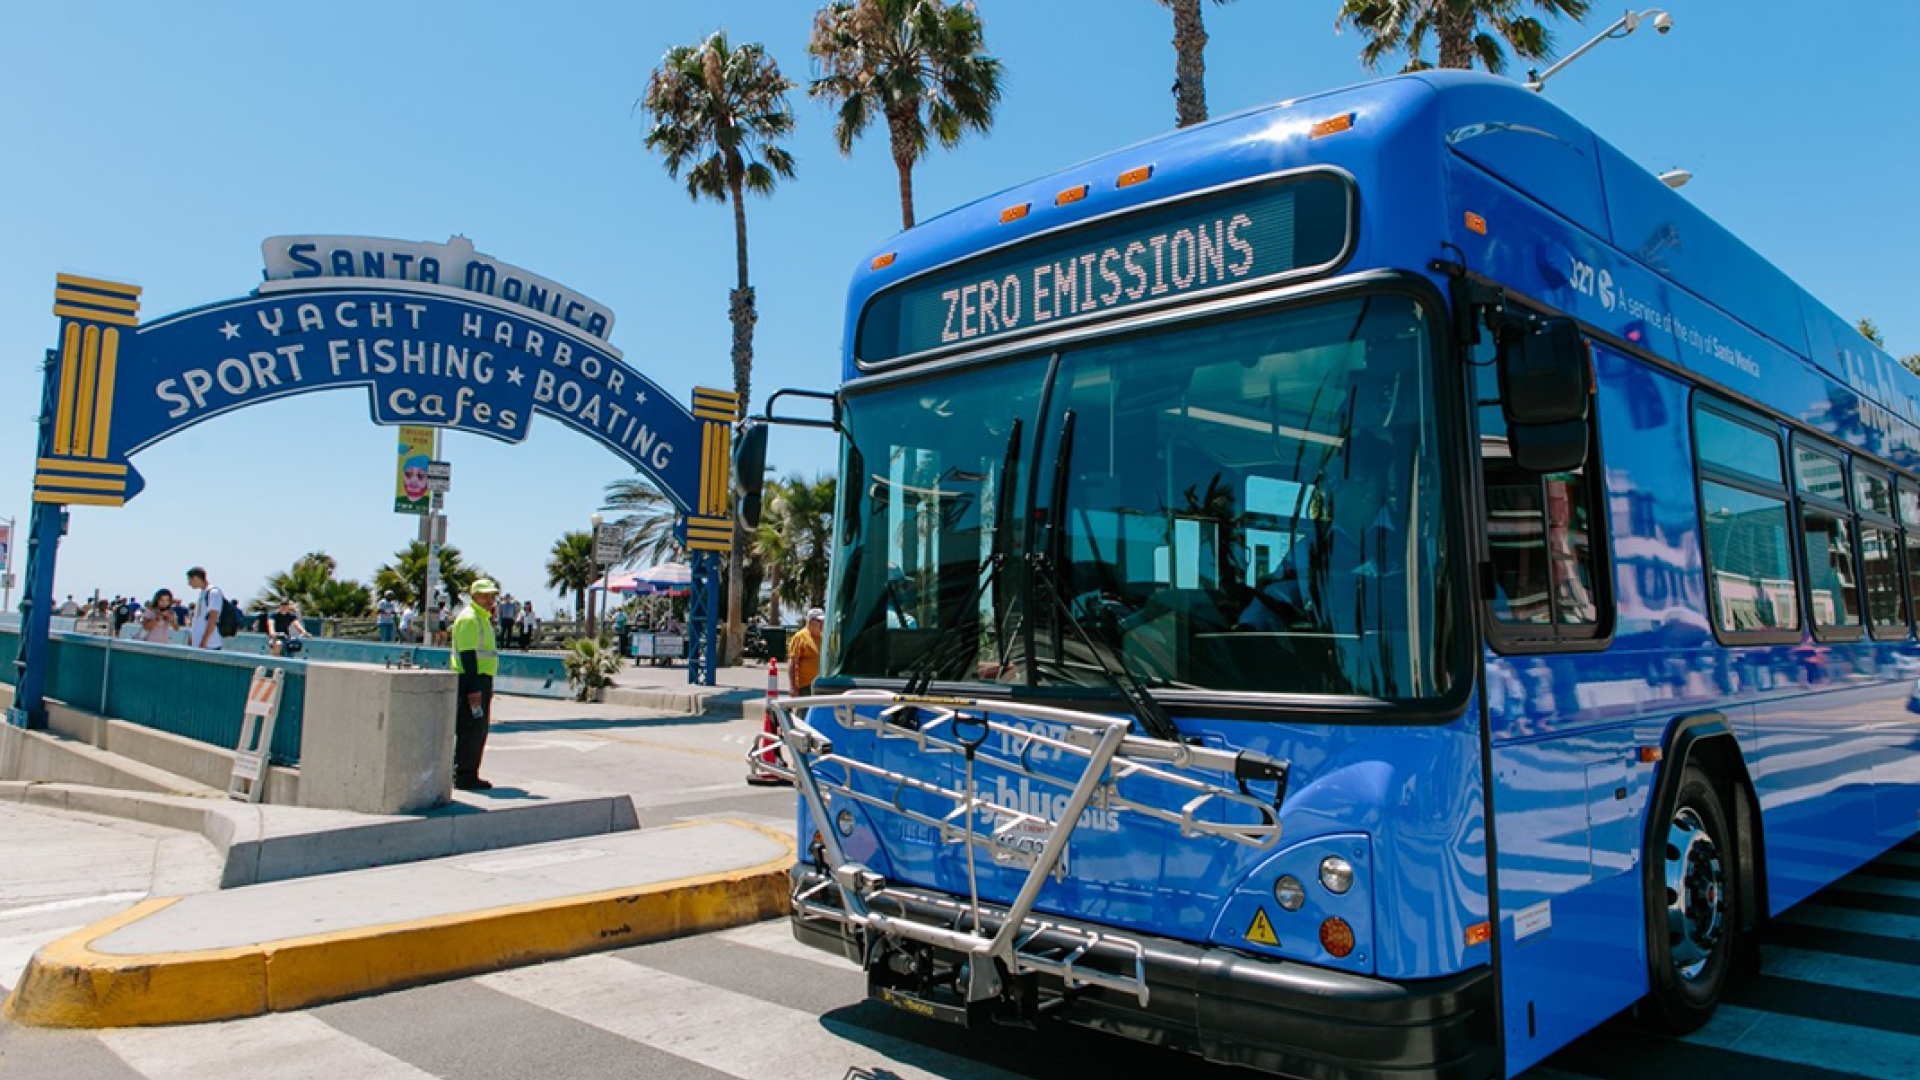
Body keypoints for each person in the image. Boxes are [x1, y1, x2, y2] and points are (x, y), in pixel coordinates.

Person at [449, 579, 502, 791]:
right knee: (471, 729)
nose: (489, 600)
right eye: (484, 596)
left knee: (477, 729)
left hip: (481, 678)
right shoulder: (470, 619)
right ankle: (464, 775)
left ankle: (469, 772)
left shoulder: (483, 619)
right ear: (474, 596)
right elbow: (468, 656)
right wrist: (473, 689)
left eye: (492, 596)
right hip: (471, 678)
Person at [185, 567, 227, 650]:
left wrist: (204, 641)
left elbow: (213, 617)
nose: (189, 583)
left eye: (190, 580)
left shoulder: (213, 592)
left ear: (196, 578)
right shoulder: (203, 593)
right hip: (199, 644)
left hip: (210, 645)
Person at [788, 608, 825, 699]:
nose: (822, 624)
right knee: (804, 712)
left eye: (823, 621)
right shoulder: (800, 637)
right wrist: (793, 687)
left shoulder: (823, 637)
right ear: (810, 622)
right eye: (819, 621)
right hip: (805, 686)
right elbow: (792, 663)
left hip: (821, 684)